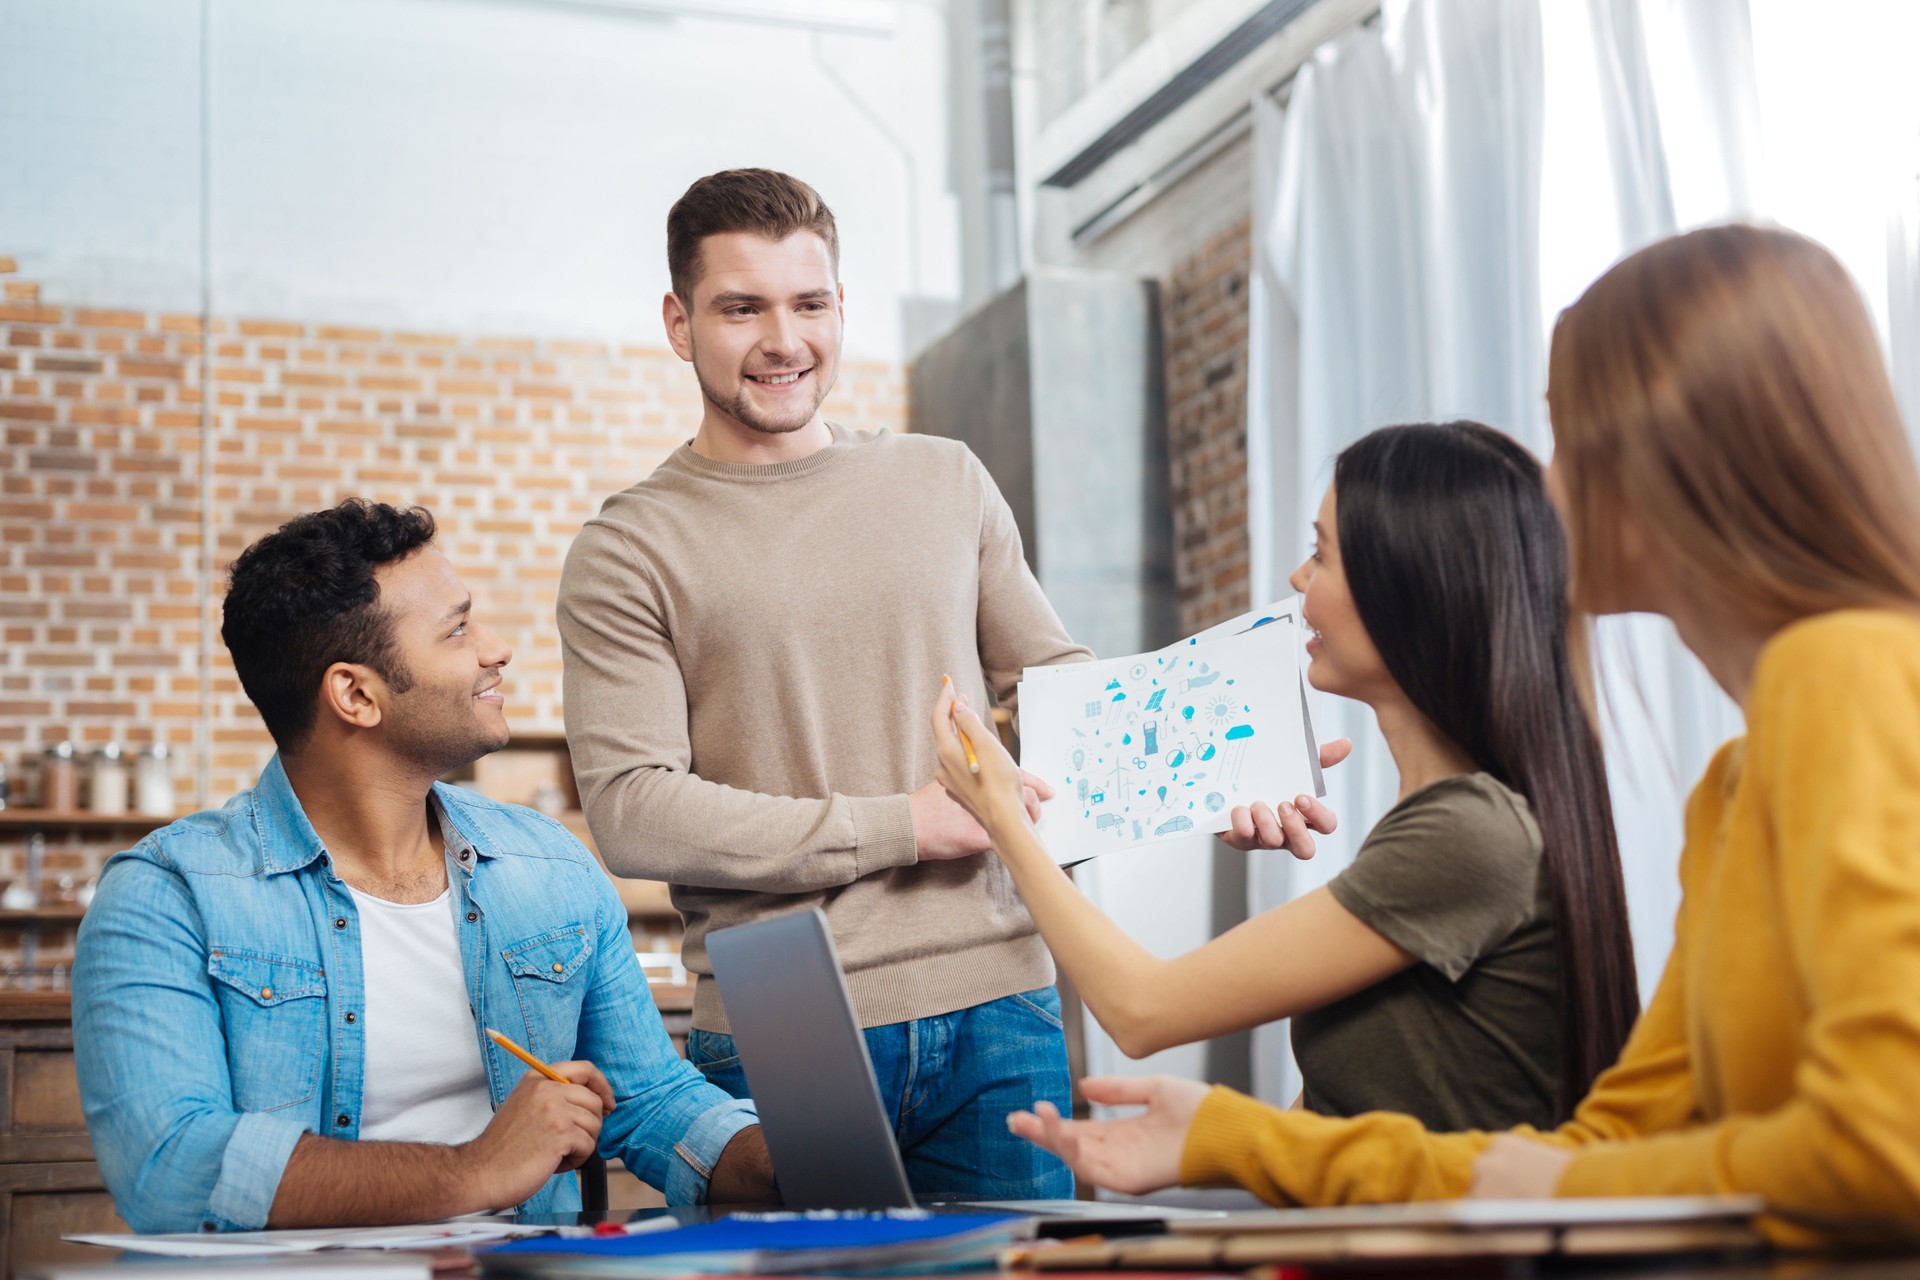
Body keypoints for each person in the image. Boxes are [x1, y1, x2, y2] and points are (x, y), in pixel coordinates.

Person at [991, 224, 1920, 1248]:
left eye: (1570, 437)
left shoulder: (1844, 671)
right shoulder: (1735, 781)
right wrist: (1241, 1136)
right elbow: (1611, 1141)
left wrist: (1003, 811)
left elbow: (1883, 1146)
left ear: (1668, 446)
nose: (1551, 489)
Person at [555, 167, 1102, 1198]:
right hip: (784, 1017)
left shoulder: (946, 480)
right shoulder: (628, 547)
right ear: (680, 323)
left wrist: (1226, 766)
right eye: (741, 307)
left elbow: (1058, 686)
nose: (784, 339)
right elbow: (633, 811)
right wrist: (903, 822)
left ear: (841, 307)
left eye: (809, 303)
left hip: (1003, 995)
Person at [73, 500, 774, 1234]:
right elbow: (172, 1167)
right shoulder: (167, 897)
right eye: (458, 630)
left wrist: (783, 1163)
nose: (496, 648)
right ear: (356, 694)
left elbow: (652, 1101)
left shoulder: (548, 866)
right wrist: (475, 1170)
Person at [935, 421, 1639, 1134]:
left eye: (1321, 555)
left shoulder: (1470, 835)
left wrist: (1001, 816)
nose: (1300, 580)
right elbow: (1340, 1112)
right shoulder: (1447, 823)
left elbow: (1143, 1011)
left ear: (1411, 588)